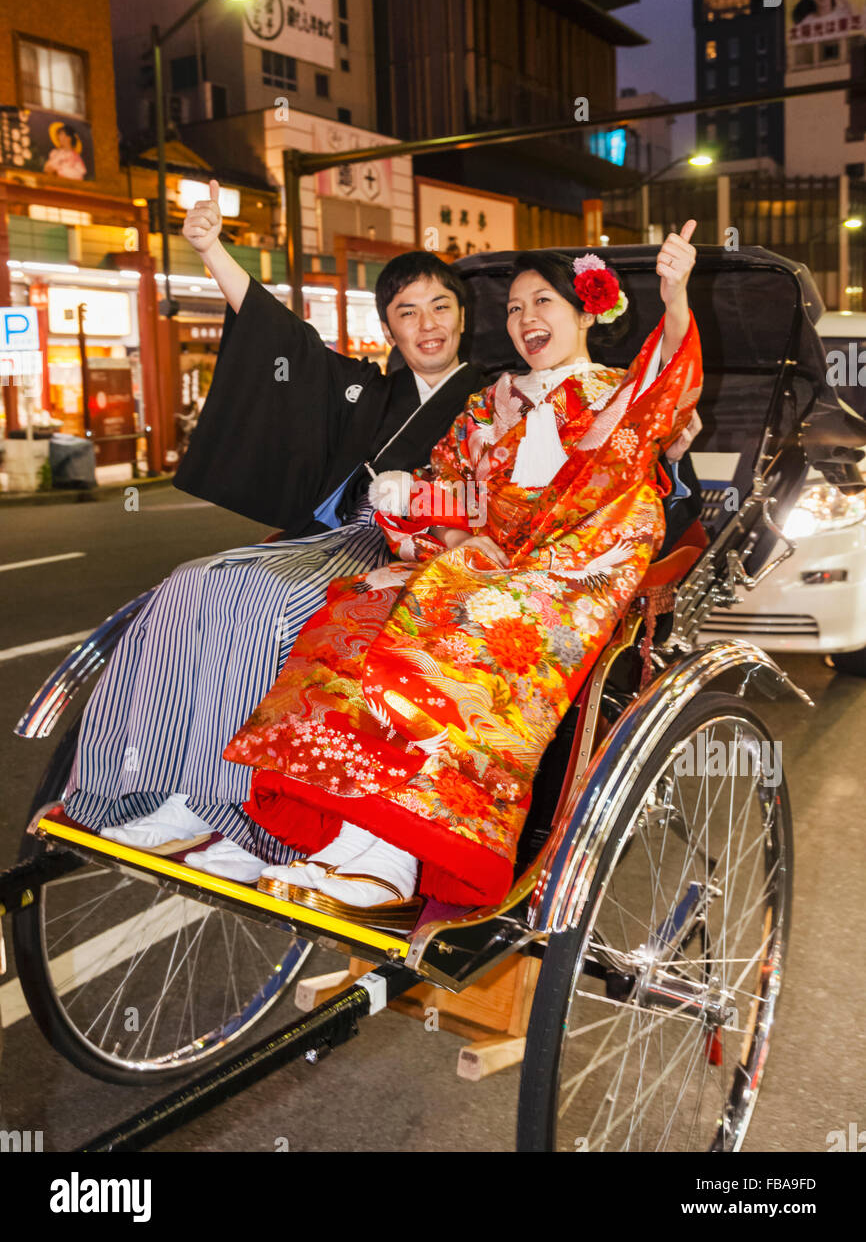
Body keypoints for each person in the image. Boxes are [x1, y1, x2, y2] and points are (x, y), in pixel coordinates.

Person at [222, 223, 704, 924]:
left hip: (571, 573)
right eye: (513, 308)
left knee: (457, 626)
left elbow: (669, 390)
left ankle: (395, 857)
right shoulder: (490, 403)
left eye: (543, 302)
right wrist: (408, 497)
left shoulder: (615, 394)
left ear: (586, 311)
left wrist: (676, 294)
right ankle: (355, 838)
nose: (525, 319)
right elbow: (455, 491)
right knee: (362, 607)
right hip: (483, 562)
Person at [61, 181, 490, 881]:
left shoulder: (489, 395)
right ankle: (180, 787)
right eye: (407, 312)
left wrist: (423, 498)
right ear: (390, 330)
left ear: (463, 317)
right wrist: (208, 247)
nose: (427, 323)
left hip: (412, 548)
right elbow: (280, 336)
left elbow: (511, 485)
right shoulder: (369, 391)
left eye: (440, 305)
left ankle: (239, 806)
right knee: (189, 585)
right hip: (330, 536)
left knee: (277, 606)